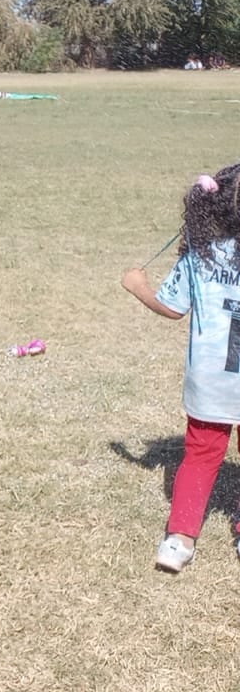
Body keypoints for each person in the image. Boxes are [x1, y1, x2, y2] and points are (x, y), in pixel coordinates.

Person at [122, 166, 240, 572]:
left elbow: (172, 308)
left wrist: (138, 286)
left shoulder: (201, 254)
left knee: (201, 456)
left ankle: (180, 539)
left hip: (209, 383)